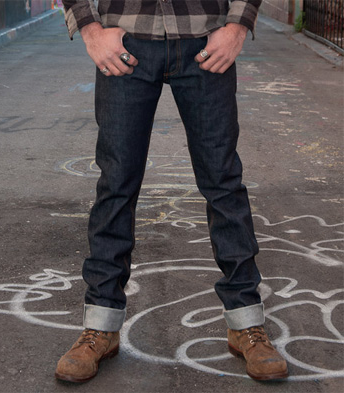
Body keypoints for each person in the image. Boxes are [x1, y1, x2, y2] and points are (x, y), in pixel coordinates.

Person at [55, 0, 288, 383]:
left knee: (223, 183)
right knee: (115, 186)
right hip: (125, 43)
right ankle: (100, 326)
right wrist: (91, 31)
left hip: (205, 42)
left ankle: (246, 324)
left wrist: (237, 27)